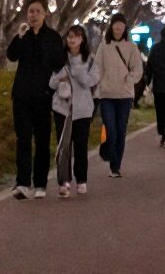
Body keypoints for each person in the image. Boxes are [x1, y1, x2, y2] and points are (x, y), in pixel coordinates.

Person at [6, 0, 67, 199]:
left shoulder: (53, 37)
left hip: (43, 96)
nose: (33, 15)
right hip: (22, 95)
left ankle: (40, 182)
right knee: (23, 139)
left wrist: (51, 86)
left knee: (42, 140)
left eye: (37, 11)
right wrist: (18, 36)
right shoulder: (23, 36)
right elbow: (12, 56)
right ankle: (23, 182)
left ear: (45, 14)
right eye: (30, 11)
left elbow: (60, 63)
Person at [49, 23, 100, 199]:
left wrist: (78, 73)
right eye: (69, 36)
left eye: (76, 36)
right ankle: (63, 182)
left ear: (82, 39)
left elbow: (92, 81)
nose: (72, 39)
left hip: (83, 109)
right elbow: (51, 83)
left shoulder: (90, 60)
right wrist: (59, 77)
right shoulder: (59, 59)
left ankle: (81, 180)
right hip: (62, 108)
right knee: (64, 146)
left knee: (80, 145)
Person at [96, 11, 145, 178]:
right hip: (107, 94)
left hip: (124, 95)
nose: (118, 29)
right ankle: (109, 153)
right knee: (110, 129)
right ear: (111, 27)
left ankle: (115, 166)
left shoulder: (131, 47)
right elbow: (97, 68)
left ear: (125, 28)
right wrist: (98, 87)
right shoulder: (104, 46)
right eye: (115, 26)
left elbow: (137, 68)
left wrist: (130, 79)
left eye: (121, 27)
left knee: (121, 131)